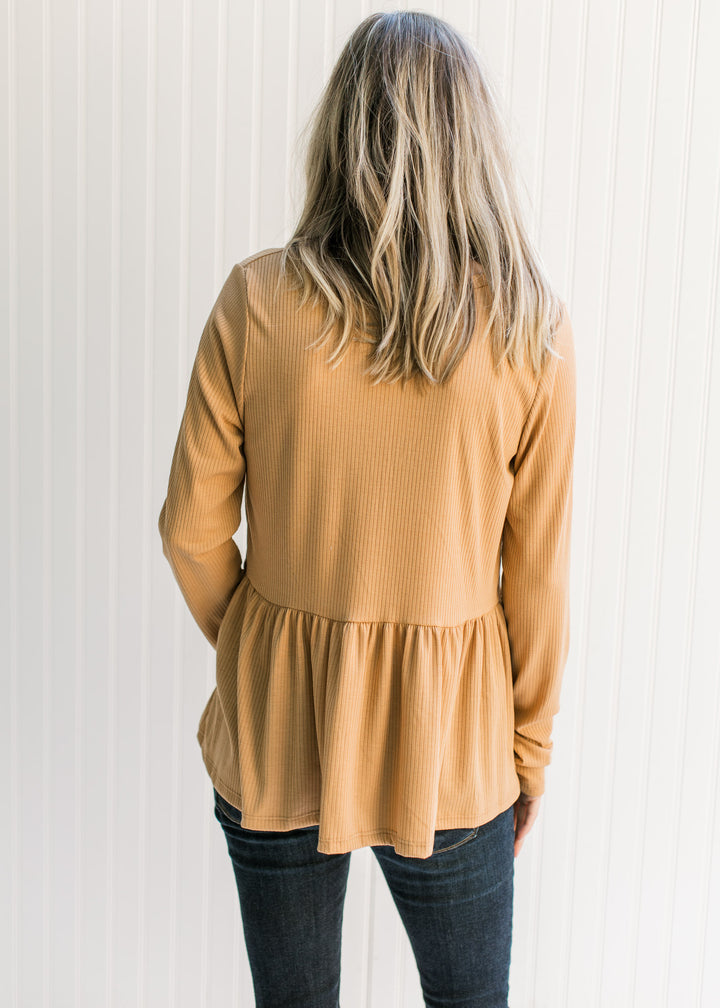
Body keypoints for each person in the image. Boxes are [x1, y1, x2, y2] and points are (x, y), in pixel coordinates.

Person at [158, 9, 576, 1008]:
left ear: (340, 134)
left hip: (278, 731)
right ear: (471, 144)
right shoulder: (531, 330)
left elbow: (190, 530)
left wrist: (263, 652)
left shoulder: (256, 302)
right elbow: (541, 580)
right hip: (456, 744)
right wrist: (528, 751)